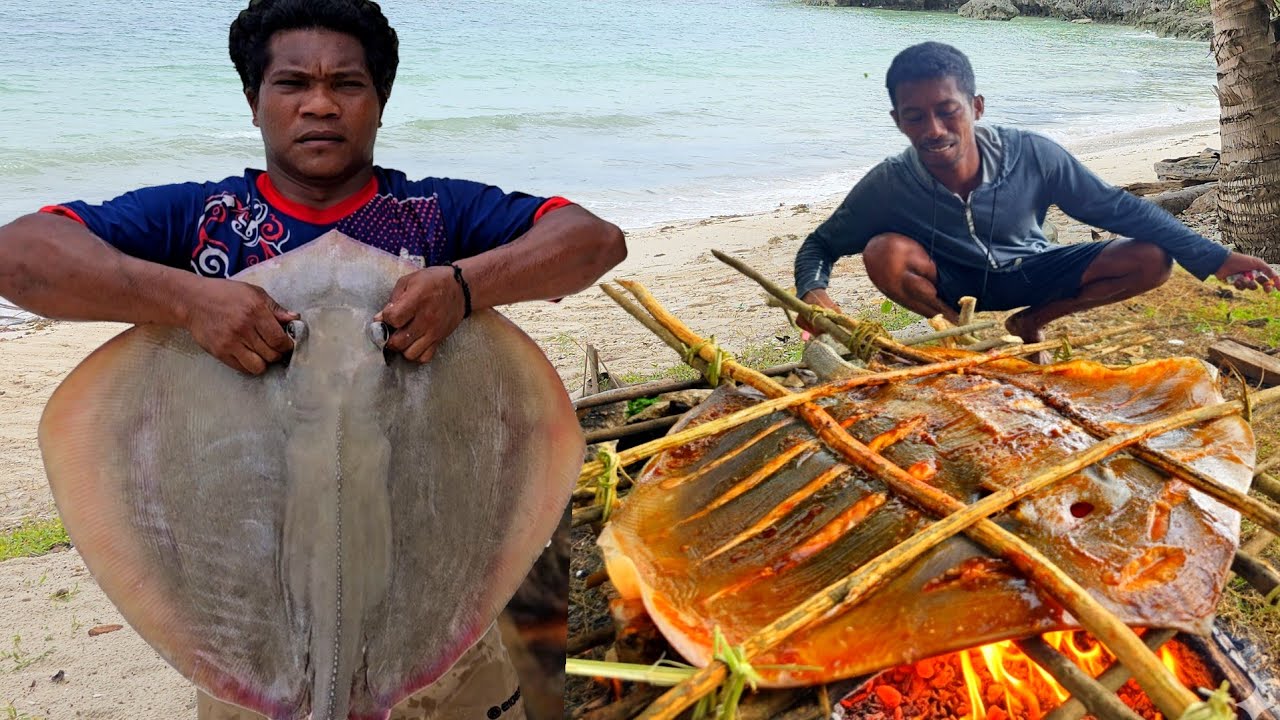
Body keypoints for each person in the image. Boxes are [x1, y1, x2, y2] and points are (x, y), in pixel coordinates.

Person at [0, 0, 625, 718]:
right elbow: (18, 257)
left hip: (442, 594)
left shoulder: (439, 214)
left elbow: (593, 240)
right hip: (254, 625)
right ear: (254, 100)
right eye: (293, 83)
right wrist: (188, 301)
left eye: (347, 84)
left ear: (381, 101)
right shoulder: (198, 219)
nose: (320, 105)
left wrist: (464, 284)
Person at [793, 41, 1277, 351]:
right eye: (915, 117)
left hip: (1031, 271)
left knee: (1152, 258)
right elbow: (819, 245)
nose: (934, 130)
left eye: (948, 111)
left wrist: (1215, 258)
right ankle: (962, 337)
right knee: (884, 251)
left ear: (976, 107)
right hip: (952, 283)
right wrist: (813, 296)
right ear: (898, 120)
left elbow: (1119, 208)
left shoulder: (1032, 154)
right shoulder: (890, 181)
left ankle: (1032, 323)